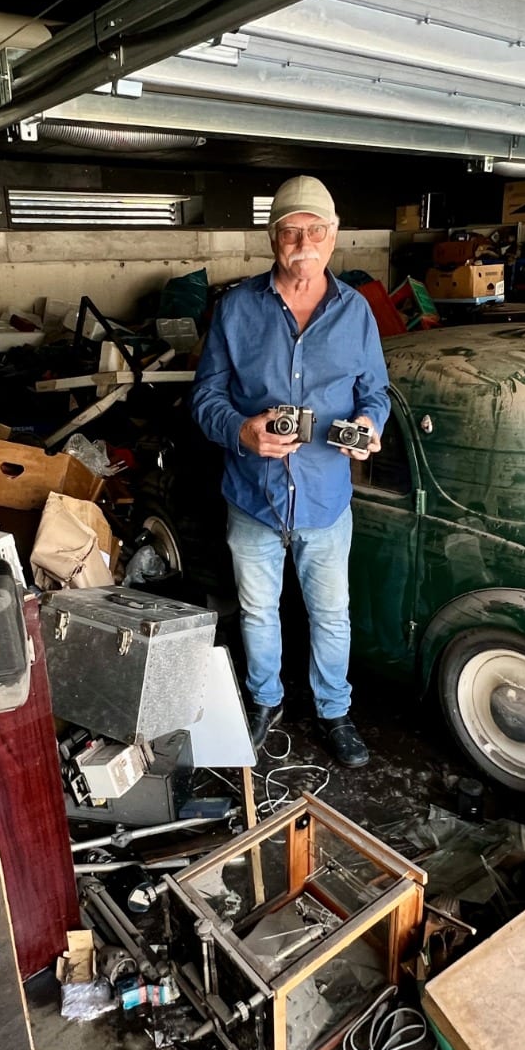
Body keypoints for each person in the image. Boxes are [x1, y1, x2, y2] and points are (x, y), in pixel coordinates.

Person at [190, 176, 390, 768]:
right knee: (257, 611)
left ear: (334, 237)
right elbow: (206, 398)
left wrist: (370, 425)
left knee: (331, 614)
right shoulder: (237, 308)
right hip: (253, 495)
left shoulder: (356, 313)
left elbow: (374, 391)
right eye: (291, 231)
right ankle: (265, 702)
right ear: (273, 237)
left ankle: (334, 710)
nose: (304, 241)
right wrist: (242, 430)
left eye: (316, 230)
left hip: (327, 498)